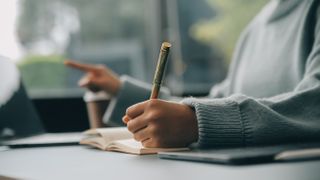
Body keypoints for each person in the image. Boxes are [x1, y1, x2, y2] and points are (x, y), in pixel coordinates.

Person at [65, 0, 320, 148]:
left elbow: (313, 105)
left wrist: (198, 122)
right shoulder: (255, 28)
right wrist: (123, 92)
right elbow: (219, 103)